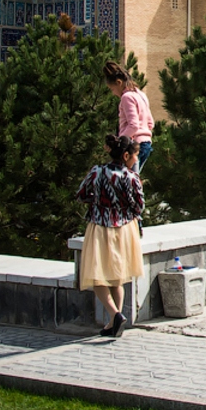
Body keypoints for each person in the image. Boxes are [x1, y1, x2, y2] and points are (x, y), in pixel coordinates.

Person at [77, 134, 145, 337]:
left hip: (99, 226)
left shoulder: (97, 172)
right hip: (124, 229)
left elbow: (81, 194)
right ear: (126, 156)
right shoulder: (132, 178)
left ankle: (113, 317)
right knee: (117, 277)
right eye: (135, 155)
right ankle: (114, 320)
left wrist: (98, 200)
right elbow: (139, 206)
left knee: (98, 277)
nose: (136, 159)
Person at [103, 61, 154, 173]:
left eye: (112, 89)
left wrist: (119, 143)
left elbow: (133, 125)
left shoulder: (126, 97)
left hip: (133, 146)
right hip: (146, 144)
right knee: (133, 180)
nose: (113, 93)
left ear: (119, 83)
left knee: (128, 182)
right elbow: (150, 123)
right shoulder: (141, 95)